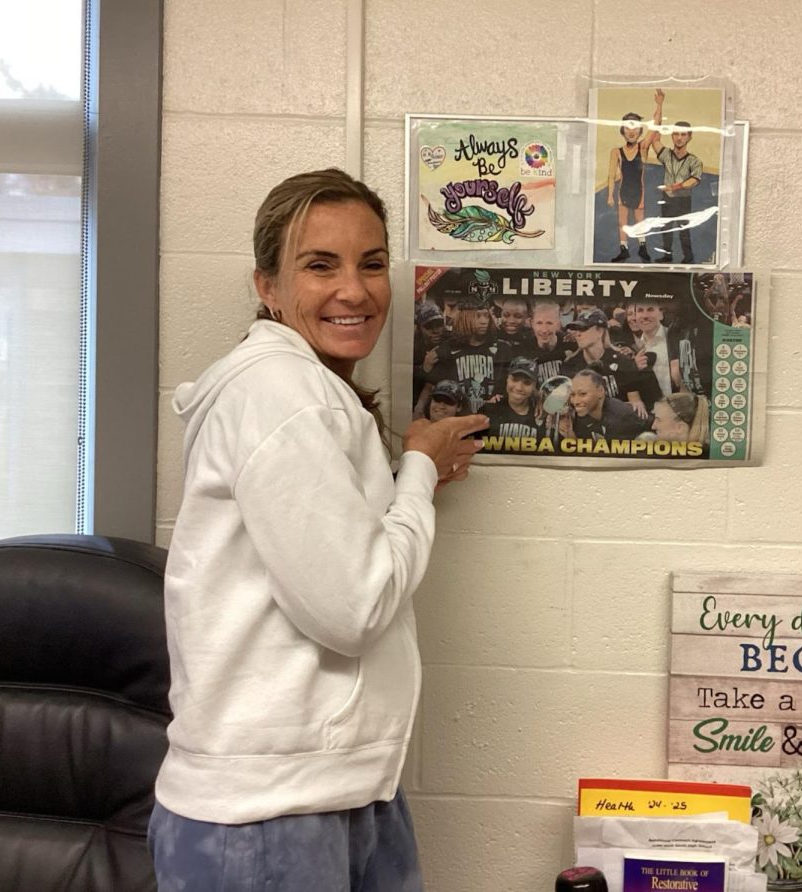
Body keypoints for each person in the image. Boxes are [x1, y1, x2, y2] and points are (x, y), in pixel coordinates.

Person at [149, 168, 488, 892]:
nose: (355, 290)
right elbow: (354, 606)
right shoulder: (283, 396)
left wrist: (407, 475)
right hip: (271, 817)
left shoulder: (306, 393)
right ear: (266, 286)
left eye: (371, 263)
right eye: (319, 265)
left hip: (332, 791)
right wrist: (420, 471)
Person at [417, 292, 509, 415]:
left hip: (491, 415)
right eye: (478, 316)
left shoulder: (502, 348)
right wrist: (419, 407)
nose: (484, 321)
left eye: (486, 316)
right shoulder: (448, 348)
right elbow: (431, 383)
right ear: (465, 317)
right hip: (459, 416)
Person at [562, 308, 658, 417]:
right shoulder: (570, 364)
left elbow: (634, 402)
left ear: (600, 331)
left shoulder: (622, 361)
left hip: (617, 422)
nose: (578, 334)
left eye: (584, 329)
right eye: (576, 329)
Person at [605, 89, 663, 262]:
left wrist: (659, 104)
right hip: (623, 192)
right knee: (622, 222)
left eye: (635, 128)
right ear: (622, 130)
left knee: (639, 220)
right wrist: (609, 195)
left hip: (639, 191)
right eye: (628, 128)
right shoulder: (616, 152)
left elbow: (656, 125)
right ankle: (624, 250)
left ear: (639, 131)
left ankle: (642, 248)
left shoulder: (643, 147)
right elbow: (610, 175)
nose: (631, 132)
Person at [648, 92, 703, 264]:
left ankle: (688, 258)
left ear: (689, 137)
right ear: (672, 136)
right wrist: (659, 105)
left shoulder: (694, 161)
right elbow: (655, 137)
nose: (679, 138)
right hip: (667, 198)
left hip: (683, 200)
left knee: (684, 229)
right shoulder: (665, 155)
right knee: (666, 228)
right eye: (676, 134)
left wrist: (677, 187)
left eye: (683, 134)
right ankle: (667, 255)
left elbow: (694, 180)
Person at [567, 368, 651, 441]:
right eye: (572, 395)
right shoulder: (577, 415)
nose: (575, 401)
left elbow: (610, 457)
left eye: (583, 394)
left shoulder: (620, 416)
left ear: (600, 391)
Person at [482, 356, 542, 440]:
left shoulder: (541, 414)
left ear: (534, 386)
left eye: (527, 383)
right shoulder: (489, 409)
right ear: (507, 379)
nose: (519, 388)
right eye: (514, 380)